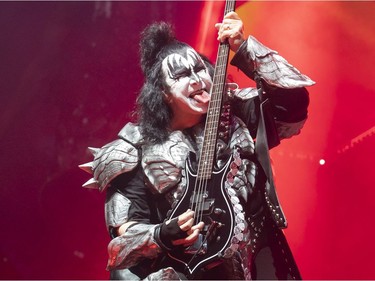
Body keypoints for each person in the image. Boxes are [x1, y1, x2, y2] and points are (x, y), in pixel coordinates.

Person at [80, 11, 314, 280]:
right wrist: (162, 234)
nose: (197, 79)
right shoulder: (134, 148)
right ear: (162, 93)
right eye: (181, 74)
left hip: (260, 264)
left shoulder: (236, 112)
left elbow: (293, 104)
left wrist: (244, 47)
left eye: (200, 68)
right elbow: (123, 236)